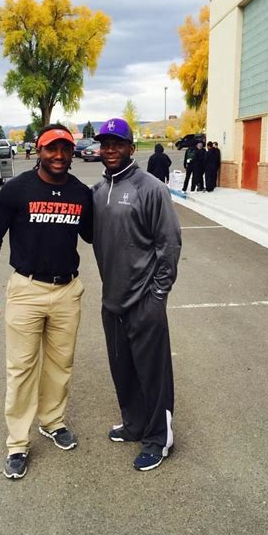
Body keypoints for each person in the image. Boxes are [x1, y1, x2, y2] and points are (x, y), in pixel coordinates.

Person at [0, 124, 92, 480]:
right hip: (27, 290)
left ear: (72, 153)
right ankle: (17, 443)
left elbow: (93, 235)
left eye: (65, 149)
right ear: (38, 151)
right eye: (51, 149)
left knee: (60, 364)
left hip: (66, 291)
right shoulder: (17, 190)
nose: (59, 155)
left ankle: (52, 421)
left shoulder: (81, 193)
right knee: (22, 368)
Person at [92, 118, 181, 472]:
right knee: (123, 370)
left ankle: (159, 438)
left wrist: (158, 294)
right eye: (105, 144)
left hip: (145, 300)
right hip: (112, 300)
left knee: (153, 374)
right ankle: (134, 424)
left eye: (118, 143)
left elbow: (169, 243)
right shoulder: (98, 191)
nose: (110, 149)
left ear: (131, 148)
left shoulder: (151, 188)